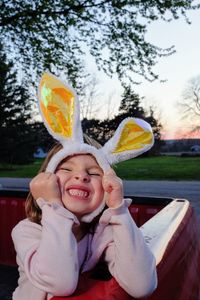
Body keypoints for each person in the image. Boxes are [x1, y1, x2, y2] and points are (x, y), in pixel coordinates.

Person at [12, 73, 157, 300]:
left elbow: (142, 285)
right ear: (46, 179)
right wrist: (51, 205)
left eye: (93, 172)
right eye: (67, 169)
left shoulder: (99, 235)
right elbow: (60, 283)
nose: (81, 176)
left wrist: (118, 209)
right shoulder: (28, 231)